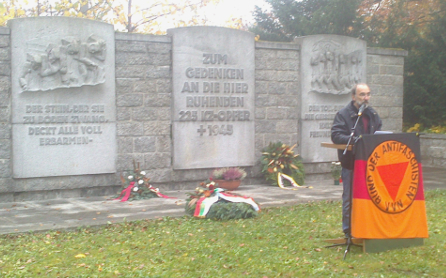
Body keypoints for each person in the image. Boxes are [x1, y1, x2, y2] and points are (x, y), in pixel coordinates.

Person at [331, 83, 382, 238]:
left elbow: (379, 132)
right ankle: (349, 230)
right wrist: (354, 140)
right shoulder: (344, 114)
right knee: (349, 197)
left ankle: (368, 227)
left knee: (370, 195)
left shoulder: (372, 114)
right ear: (353, 97)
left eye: (368, 94)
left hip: (371, 163)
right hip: (351, 163)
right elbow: (336, 135)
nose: (366, 98)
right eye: (362, 95)